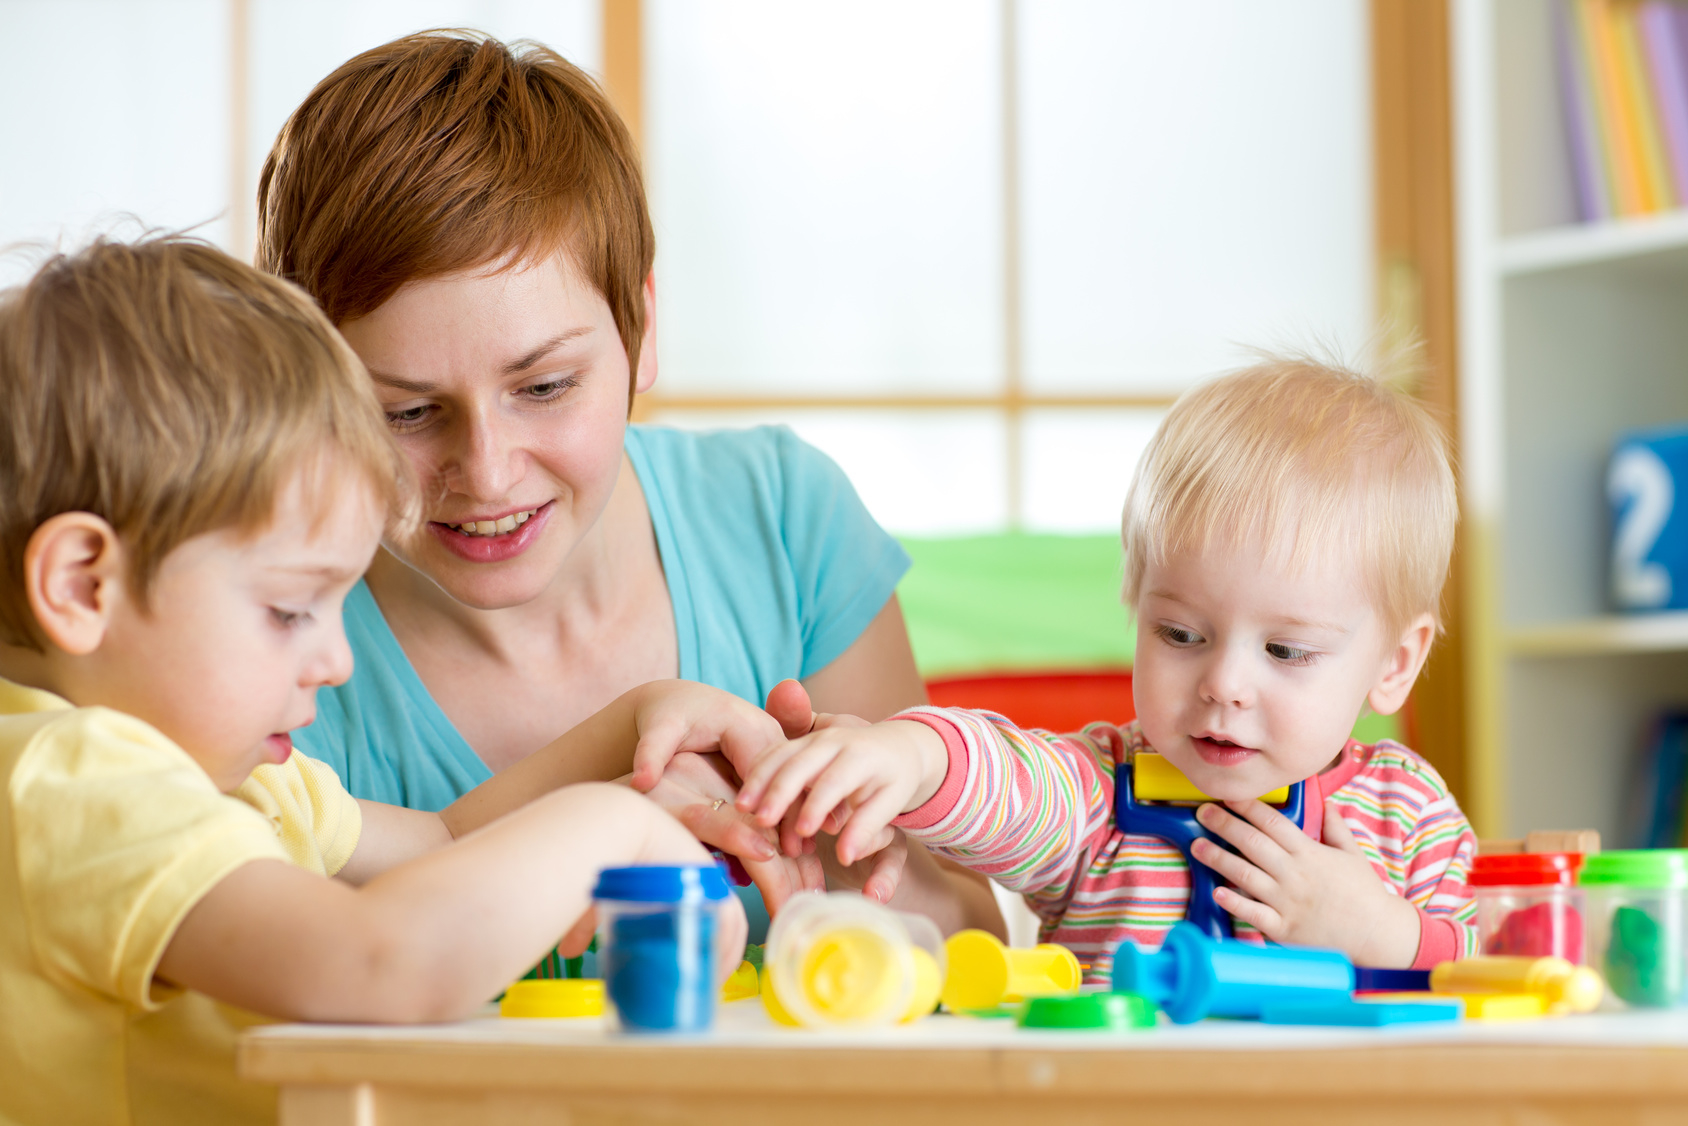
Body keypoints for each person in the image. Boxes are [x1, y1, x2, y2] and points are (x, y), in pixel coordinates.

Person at [0, 237, 773, 1125]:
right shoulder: (74, 784)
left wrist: (633, 720)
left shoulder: (215, 775)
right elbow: (376, 963)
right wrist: (617, 827)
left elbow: (447, 838)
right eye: (291, 609)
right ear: (80, 585)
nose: (336, 660)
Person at [253, 30, 1001, 935]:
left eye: (545, 388)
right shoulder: (264, 625)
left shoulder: (783, 517)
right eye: (405, 413)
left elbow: (968, 937)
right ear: (307, 386)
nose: (486, 472)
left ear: (642, 331)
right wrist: (596, 834)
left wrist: (832, 848)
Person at [704, 353, 1481, 979]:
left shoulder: (1407, 815)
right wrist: (910, 756)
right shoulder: (1099, 795)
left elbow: (1503, 975)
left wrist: (1389, 935)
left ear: (1395, 663)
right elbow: (1003, 780)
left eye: (1284, 651)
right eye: (1181, 633)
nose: (1224, 685)